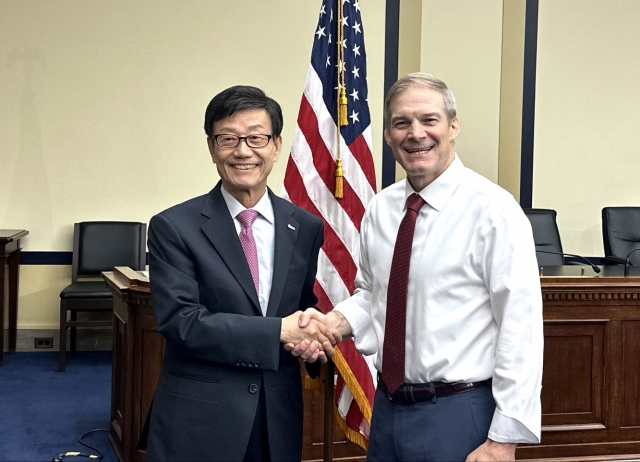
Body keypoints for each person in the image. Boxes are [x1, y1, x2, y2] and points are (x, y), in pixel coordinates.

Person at [289, 73, 543, 462]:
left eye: (429, 120)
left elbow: (520, 327)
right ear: (388, 135)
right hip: (388, 409)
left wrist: (503, 440)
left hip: (459, 414)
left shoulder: (493, 211)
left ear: (453, 126)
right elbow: (375, 294)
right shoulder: (382, 208)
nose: (416, 133)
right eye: (401, 123)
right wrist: (331, 323)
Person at [145, 85, 337, 462]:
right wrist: (279, 331)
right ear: (212, 147)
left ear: (277, 145)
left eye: (256, 138)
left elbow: (302, 309)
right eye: (228, 139)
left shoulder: (306, 227)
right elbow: (181, 321)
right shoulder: (174, 226)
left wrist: (311, 346)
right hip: (201, 417)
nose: (243, 151)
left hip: (278, 416)